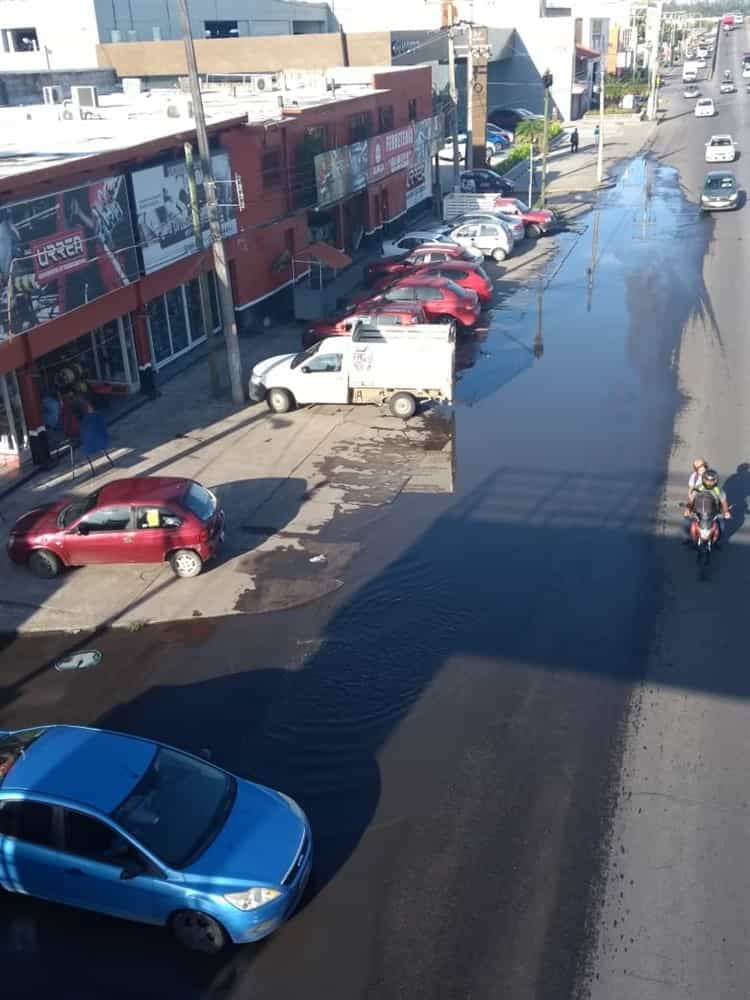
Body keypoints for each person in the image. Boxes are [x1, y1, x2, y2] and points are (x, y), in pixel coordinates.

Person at [683, 468, 731, 541]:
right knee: (686, 522)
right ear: (703, 479)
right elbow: (691, 499)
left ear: (716, 481)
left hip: (714, 512)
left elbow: (724, 502)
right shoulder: (699, 488)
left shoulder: (718, 490)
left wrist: (726, 512)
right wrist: (688, 509)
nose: (709, 483)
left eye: (712, 481)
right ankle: (687, 538)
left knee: (722, 526)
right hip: (698, 512)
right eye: (707, 480)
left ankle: (718, 540)